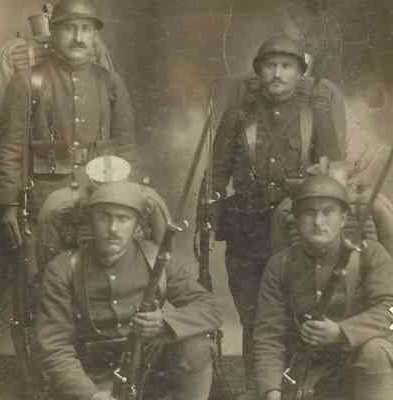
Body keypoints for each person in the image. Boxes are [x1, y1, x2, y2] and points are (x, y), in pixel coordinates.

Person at [211, 35, 345, 398]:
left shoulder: (314, 113)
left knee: (293, 304)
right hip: (247, 227)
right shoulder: (240, 113)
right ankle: (258, 385)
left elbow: (333, 171)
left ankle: (296, 382)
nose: (278, 74)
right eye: (270, 66)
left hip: (294, 227)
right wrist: (206, 218)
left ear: (300, 73)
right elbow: (217, 172)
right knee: (251, 309)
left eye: (287, 66)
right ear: (258, 71)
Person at [36, 181, 222, 400]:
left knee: (197, 348)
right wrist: (90, 395)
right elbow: (55, 346)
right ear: (90, 221)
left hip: (152, 368)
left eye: (123, 219)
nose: (113, 229)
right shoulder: (63, 269)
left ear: (136, 226)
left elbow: (209, 308)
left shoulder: (157, 259)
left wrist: (165, 323)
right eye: (103, 217)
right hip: (92, 375)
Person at [0, 0, 137, 251]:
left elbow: (126, 149)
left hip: (98, 201)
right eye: (69, 28)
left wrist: (124, 200)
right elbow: (9, 149)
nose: (78, 38)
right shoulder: (26, 82)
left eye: (86, 29)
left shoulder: (111, 83)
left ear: (94, 36)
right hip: (42, 205)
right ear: (53, 31)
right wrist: (9, 205)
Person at [253, 174, 393, 400]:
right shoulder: (280, 265)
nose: (318, 222)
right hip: (309, 371)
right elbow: (269, 334)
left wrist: (342, 332)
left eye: (328, 212)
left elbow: (390, 308)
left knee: (376, 353)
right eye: (309, 212)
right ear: (297, 218)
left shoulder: (371, 254)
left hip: (361, 367)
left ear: (343, 218)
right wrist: (272, 390)